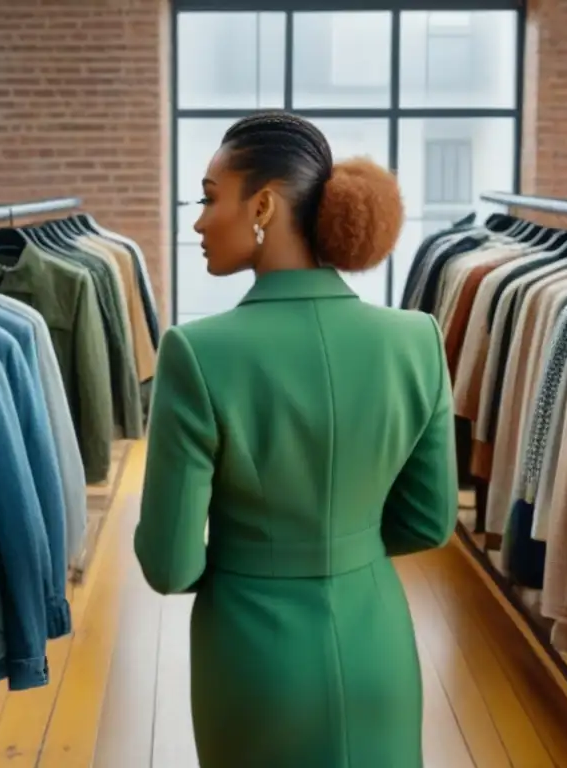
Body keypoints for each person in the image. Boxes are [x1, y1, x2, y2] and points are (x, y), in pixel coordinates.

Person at [134, 111, 459, 768]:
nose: (197, 221)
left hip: (253, 662)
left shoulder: (197, 353)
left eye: (208, 196)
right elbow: (429, 521)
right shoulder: (416, 342)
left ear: (262, 204)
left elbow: (170, 565)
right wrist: (346, 547)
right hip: (378, 647)